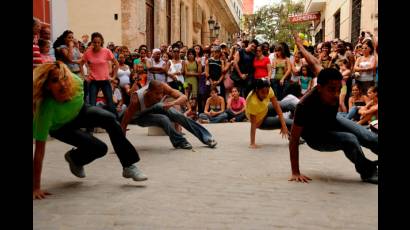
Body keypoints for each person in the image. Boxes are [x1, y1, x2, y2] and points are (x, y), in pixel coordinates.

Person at [33, 62, 147, 200]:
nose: (63, 84)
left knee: (110, 119)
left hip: (80, 111)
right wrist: (36, 187)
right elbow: (39, 152)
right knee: (100, 148)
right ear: (47, 86)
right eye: (55, 81)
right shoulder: (45, 110)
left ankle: (128, 166)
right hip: (61, 128)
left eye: (64, 78)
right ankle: (75, 159)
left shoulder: (77, 83)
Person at [288, 33, 378, 184]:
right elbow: (294, 139)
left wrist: (300, 46)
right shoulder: (304, 105)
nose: (336, 94)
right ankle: (367, 171)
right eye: (331, 89)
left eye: (339, 88)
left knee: (368, 136)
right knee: (350, 140)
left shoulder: (326, 77)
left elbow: (313, 61)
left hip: (333, 121)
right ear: (319, 87)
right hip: (317, 136)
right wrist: (295, 172)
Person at [121, 80, 218, 150]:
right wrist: (121, 144)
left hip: (154, 107)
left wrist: (173, 103)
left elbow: (183, 97)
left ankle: (207, 138)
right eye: (157, 94)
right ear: (148, 92)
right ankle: (180, 142)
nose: (160, 96)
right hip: (140, 117)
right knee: (163, 119)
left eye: (161, 93)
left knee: (176, 114)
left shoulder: (162, 86)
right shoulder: (136, 100)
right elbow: (124, 123)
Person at [246, 78, 298, 149]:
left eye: (267, 92)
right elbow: (254, 124)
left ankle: (304, 120)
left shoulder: (268, 89)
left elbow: (276, 106)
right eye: (262, 92)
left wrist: (284, 125)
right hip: (260, 121)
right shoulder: (252, 102)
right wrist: (252, 143)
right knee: (289, 123)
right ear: (257, 90)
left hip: (265, 109)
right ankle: (296, 137)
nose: (265, 95)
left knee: (289, 105)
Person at [80, 32, 119, 116]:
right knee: (92, 104)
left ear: (101, 42)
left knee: (110, 104)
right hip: (94, 82)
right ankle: (91, 127)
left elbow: (116, 64)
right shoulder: (88, 52)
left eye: (98, 42)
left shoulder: (106, 51)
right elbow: (81, 63)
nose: (97, 44)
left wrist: (113, 77)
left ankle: (117, 124)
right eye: (95, 42)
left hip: (105, 81)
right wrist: (84, 76)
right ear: (92, 42)